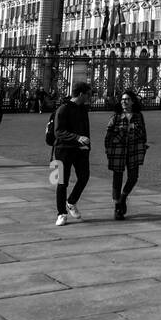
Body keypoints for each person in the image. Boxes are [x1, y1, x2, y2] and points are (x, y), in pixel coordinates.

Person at [52, 81, 93, 226]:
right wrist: (77, 138)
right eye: (89, 94)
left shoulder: (83, 109)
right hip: (62, 150)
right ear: (81, 94)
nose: (90, 96)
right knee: (61, 181)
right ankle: (61, 213)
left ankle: (71, 201)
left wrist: (87, 147)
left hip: (80, 150)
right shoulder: (63, 109)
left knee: (84, 177)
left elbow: (86, 129)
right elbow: (58, 132)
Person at [104, 90, 148, 220]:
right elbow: (108, 136)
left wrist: (143, 144)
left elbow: (144, 133)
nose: (124, 101)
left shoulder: (139, 116)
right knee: (117, 179)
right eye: (123, 99)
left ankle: (123, 197)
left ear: (133, 101)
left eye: (127, 99)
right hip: (118, 150)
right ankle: (117, 206)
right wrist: (109, 149)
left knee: (133, 177)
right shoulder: (116, 116)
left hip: (134, 150)